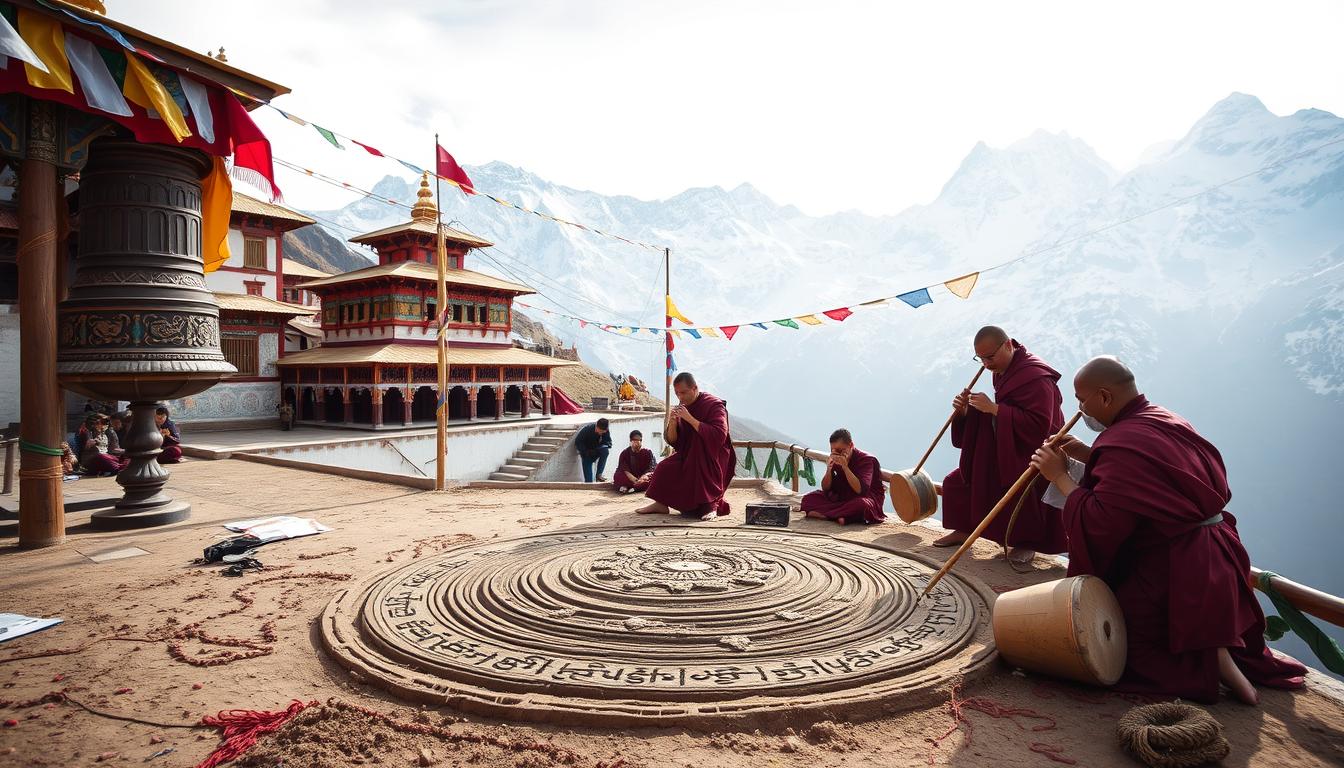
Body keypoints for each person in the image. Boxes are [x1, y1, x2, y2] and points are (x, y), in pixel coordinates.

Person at [1030, 356, 1307, 704]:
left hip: (1176, 562)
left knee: (1115, 634)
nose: (1079, 408)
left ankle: (1210, 663)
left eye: (1081, 400)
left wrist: (1059, 476)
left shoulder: (1121, 442)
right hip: (1221, 552)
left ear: (1104, 397)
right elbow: (1150, 484)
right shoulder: (1163, 419)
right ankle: (1222, 655)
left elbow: (1102, 519)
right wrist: (1091, 454)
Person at [935, 326, 1067, 564]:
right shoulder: (1003, 368)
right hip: (1007, 443)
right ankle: (965, 527)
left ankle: (1027, 543)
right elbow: (1008, 410)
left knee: (1018, 491)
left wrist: (995, 409)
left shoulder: (1036, 377)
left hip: (1034, 450)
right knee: (962, 478)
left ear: (1008, 345)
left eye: (990, 357)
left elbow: (1040, 425)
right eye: (981, 358)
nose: (986, 364)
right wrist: (966, 410)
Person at [635, 372, 735, 519]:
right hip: (688, 453)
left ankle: (710, 507)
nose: (680, 397)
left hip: (711, 455)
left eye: (683, 393)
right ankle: (661, 504)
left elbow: (719, 435)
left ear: (694, 388)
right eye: (677, 393)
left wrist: (689, 418)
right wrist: (673, 423)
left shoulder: (713, 405)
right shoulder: (682, 406)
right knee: (664, 467)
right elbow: (674, 440)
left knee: (698, 461)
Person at [801, 428, 886, 525]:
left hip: (865, 498)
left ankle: (830, 515)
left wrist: (845, 467)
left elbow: (861, 491)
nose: (838, 454)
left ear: (851, 445)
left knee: (862, 505)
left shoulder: (866, 460)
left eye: (841, 450)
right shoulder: (835, 457)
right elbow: (826, 488)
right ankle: (842, 516)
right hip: (842, 497)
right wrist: (829, 469)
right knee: (809, 498)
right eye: (834, 450)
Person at [613, 429, 657, 493]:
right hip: (630, 477)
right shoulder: (625, 453)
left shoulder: (647, 452)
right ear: (631, 441)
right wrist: (634, 479)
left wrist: (644, 476)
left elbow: (652, 467)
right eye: (635, 440)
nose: (638, 442)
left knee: (654, 476)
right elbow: (623, 468)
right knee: (618, 475)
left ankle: (633, 487)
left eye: (640, 440)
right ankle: (635, 486)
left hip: (643, 477)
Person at [575, 417, 612, 483]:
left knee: (605, 451)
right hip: (587, 454)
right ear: (597, 427)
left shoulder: (605, 431)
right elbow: (578, 442)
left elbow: (608, 442)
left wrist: (605, 445)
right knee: (589, 480)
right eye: (601, 431)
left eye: (604, 431)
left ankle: (599, 475)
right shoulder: (587, 430)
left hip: (598, 450)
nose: (602, 433)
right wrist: (586, 452)